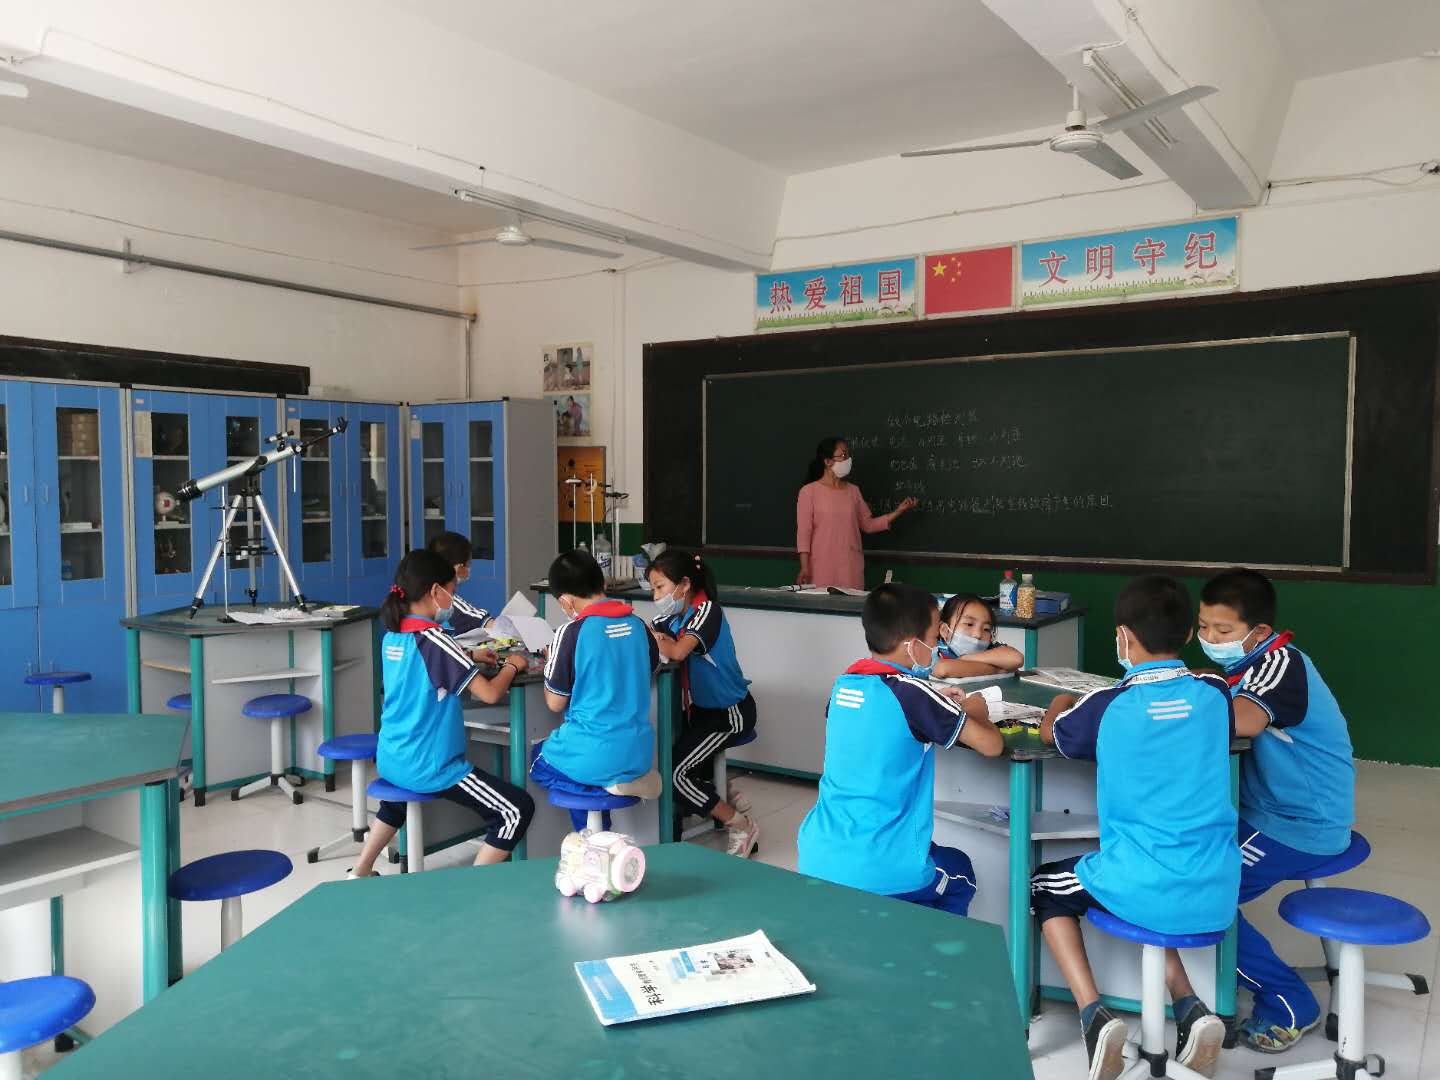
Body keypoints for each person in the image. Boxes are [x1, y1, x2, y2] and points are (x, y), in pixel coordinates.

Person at [1033, 575, 1237, 1080]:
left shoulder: (1105, 706)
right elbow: (1202, 691)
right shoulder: (1215, 693)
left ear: (1123, 637)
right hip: (1216, 883)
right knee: (1146, 890)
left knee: (1044, 887)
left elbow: (1053, 734)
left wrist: (1059, 703)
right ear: (1188, 634)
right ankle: (1189, 1006)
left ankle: (1092, 1016)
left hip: (1144, 883)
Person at [1197, 568, 1355, 1055]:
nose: (1210, 639)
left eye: (1223, 630)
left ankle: (1289, 1002)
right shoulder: (1247, 664)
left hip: (1300, 824)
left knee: (1200, 891)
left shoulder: (1280, 664)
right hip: (1272, 812)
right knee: (1189, 858)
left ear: (1259, 631)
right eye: (1202, 627)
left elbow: (1241, 721)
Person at [797, 583, 1002, 916]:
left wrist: (936, 703)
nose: (936, 649)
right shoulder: (913, 694)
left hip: (817, 853)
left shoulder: (844, 684)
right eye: (934, 639)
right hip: (879, 865)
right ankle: (939, 948)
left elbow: (884, 718)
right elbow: (992, 745)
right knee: (961, 872)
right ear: (912, 645)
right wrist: (976, 708)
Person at [348, 550, 533, 878]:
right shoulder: (435, 639)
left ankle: (360, 870)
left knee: (395, 803)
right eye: (452, 591)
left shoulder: (394, 635)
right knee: (516, 810)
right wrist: (512, 665)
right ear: (435, 591)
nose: (453, 599)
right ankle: (470, 889)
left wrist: (470, 655)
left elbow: (425, 667)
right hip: (430, 765)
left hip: (392, 756)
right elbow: (490, 694)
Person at [531, 550, 659, 831]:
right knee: (583, 767)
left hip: (593, 752)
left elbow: (555, 702)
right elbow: (650, 668)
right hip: (638, 752)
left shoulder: (570, 632)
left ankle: (592, 832)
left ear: (565, 601)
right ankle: (602, 825)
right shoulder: (638, 625)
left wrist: (553, 661)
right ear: (602, 583)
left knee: (537, 762)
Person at [647, 549, 760, 858]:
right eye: (653, 589)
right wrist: (658, 638)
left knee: (674, 774)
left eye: (660, 587)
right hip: (700, 712)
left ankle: (741, 824)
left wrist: (662, 640)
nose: (655, 596)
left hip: (730, 712)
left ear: (684, 584)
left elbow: (677, 651)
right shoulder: (670, 617)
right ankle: (723, 791)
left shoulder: (708, 610)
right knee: (666, 756)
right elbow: (652, 637)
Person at [795, 436, 917, 590]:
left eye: (848, 455)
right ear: (828, 461)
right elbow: (804, 533)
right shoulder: (808, 492)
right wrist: (805, 567)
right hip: (820, 568)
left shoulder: (853, 491)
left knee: (851, 603)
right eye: (843, 455)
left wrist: (898, 511)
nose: (848, 459)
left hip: (850, 568)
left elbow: (868, 525)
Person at [932, 593, 1024, 678]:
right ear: (944, 630)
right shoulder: (934, 650)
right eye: (969, 624)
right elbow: (943, 669)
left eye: (986, 629)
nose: (978, 634)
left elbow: (1016, 659)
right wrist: (999, 669)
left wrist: (965, 658)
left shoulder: (990, 649)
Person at [426, 531, 492, 636]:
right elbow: (491, 626)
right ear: (459, 569)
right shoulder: (449, 601)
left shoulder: (419, 593)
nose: (469, 569)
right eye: (468, 564)